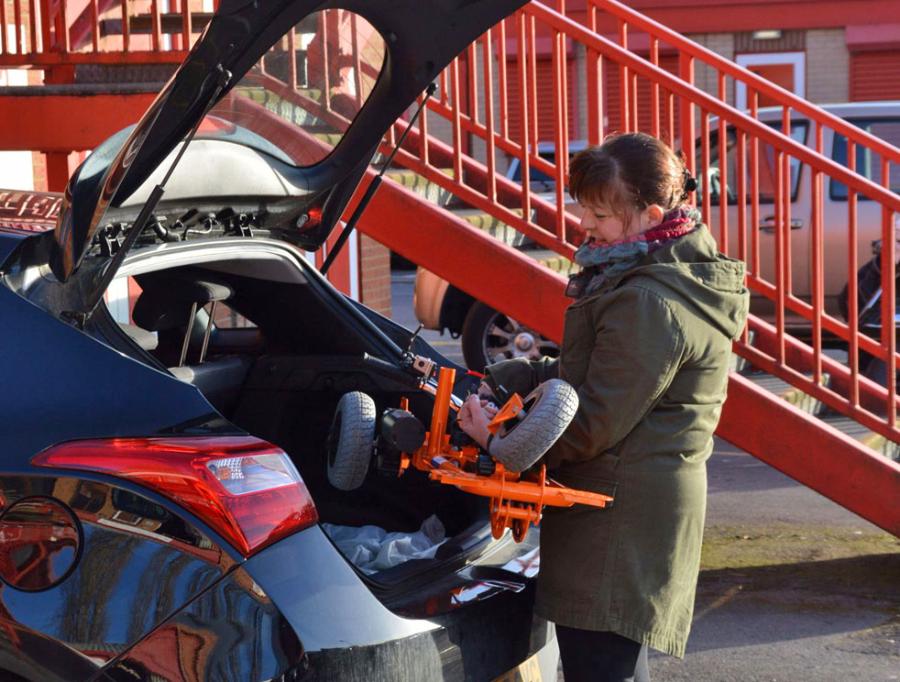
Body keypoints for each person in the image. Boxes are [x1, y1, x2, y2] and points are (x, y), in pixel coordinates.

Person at [458, 132, 749, 682]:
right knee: (615, 665)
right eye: (583, 208)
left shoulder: (648, 299)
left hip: (619, 513)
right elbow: (585, 375)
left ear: (650, 214)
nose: (586, 225)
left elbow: (591, 423)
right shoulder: (660, 271)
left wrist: (496, 442)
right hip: (631, 503)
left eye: (599, 213)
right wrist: (512, 379)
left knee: (602, 667)